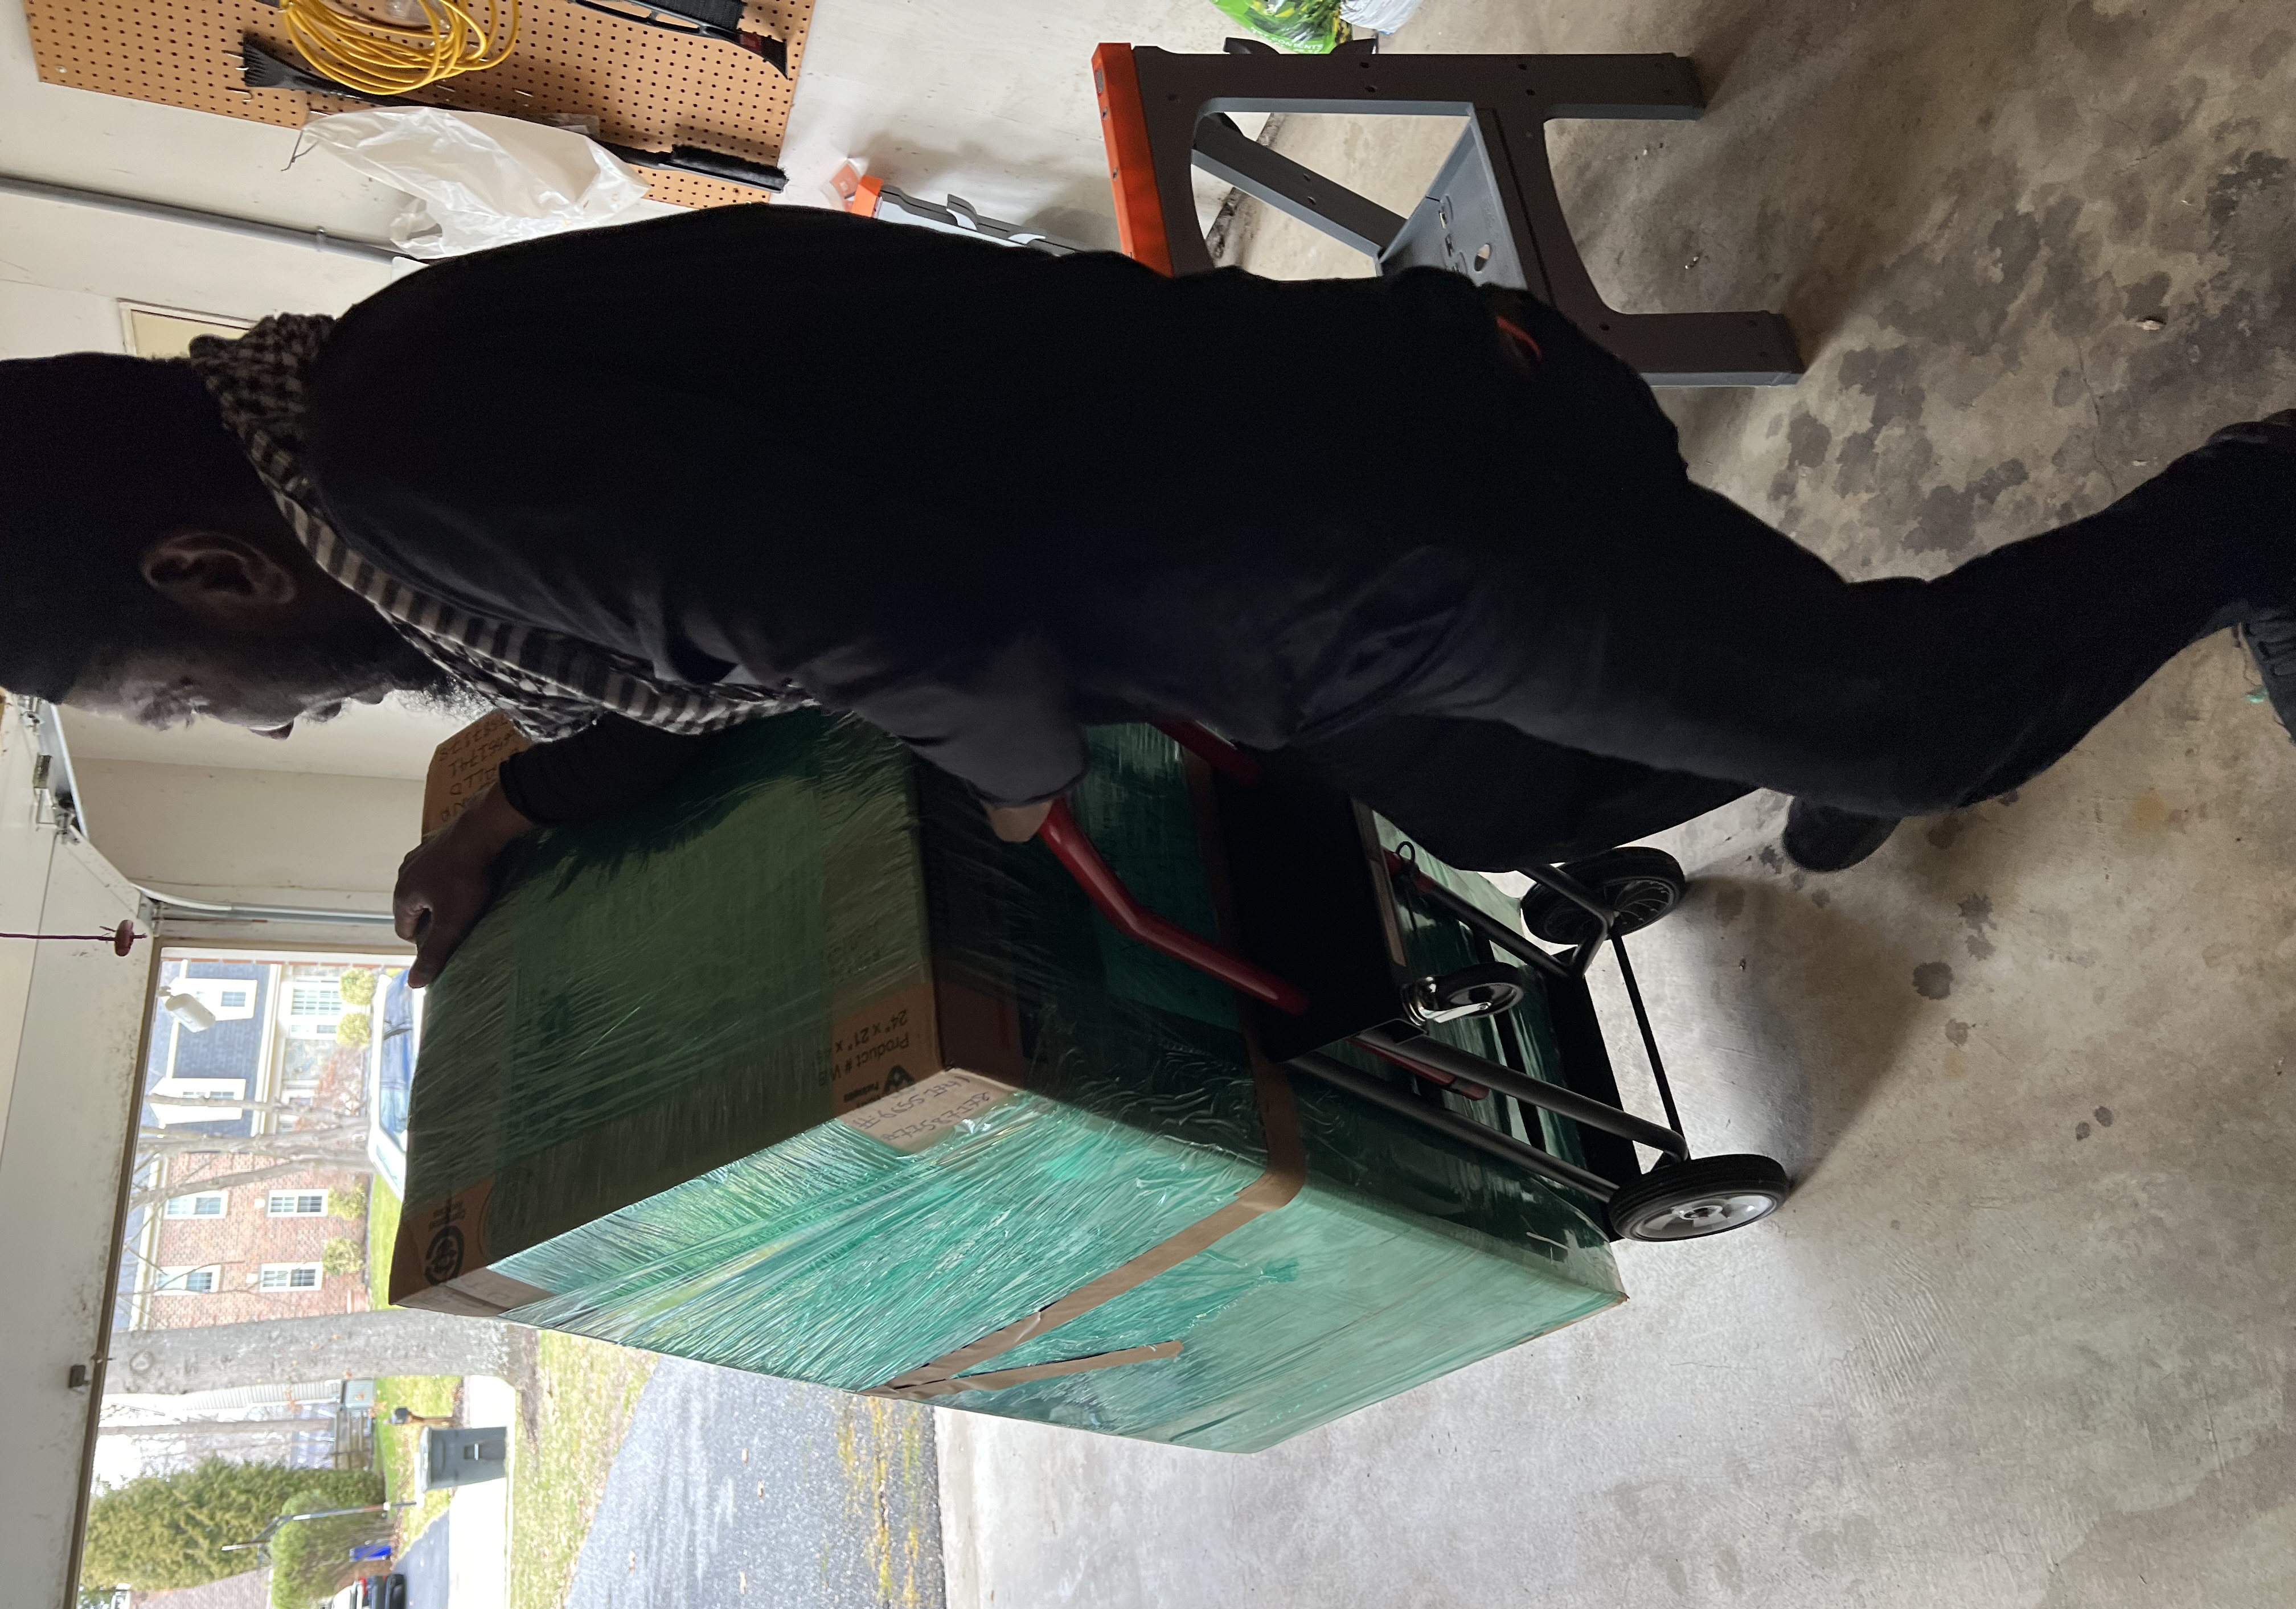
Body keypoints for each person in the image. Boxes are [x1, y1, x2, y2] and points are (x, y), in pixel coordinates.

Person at [1, 206, 2287, 988]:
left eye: (181, 694)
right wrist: (531, 806)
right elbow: (710, 610)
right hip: (1264, 550)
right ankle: (1801, 705)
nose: (247, 726)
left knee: (1910, 724)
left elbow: (909, 634)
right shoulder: (380, 413)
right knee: (1493, 809)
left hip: (1365, 526)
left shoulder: (420, 473)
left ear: (207, 568)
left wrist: (1012, 796)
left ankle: (2238, 510)